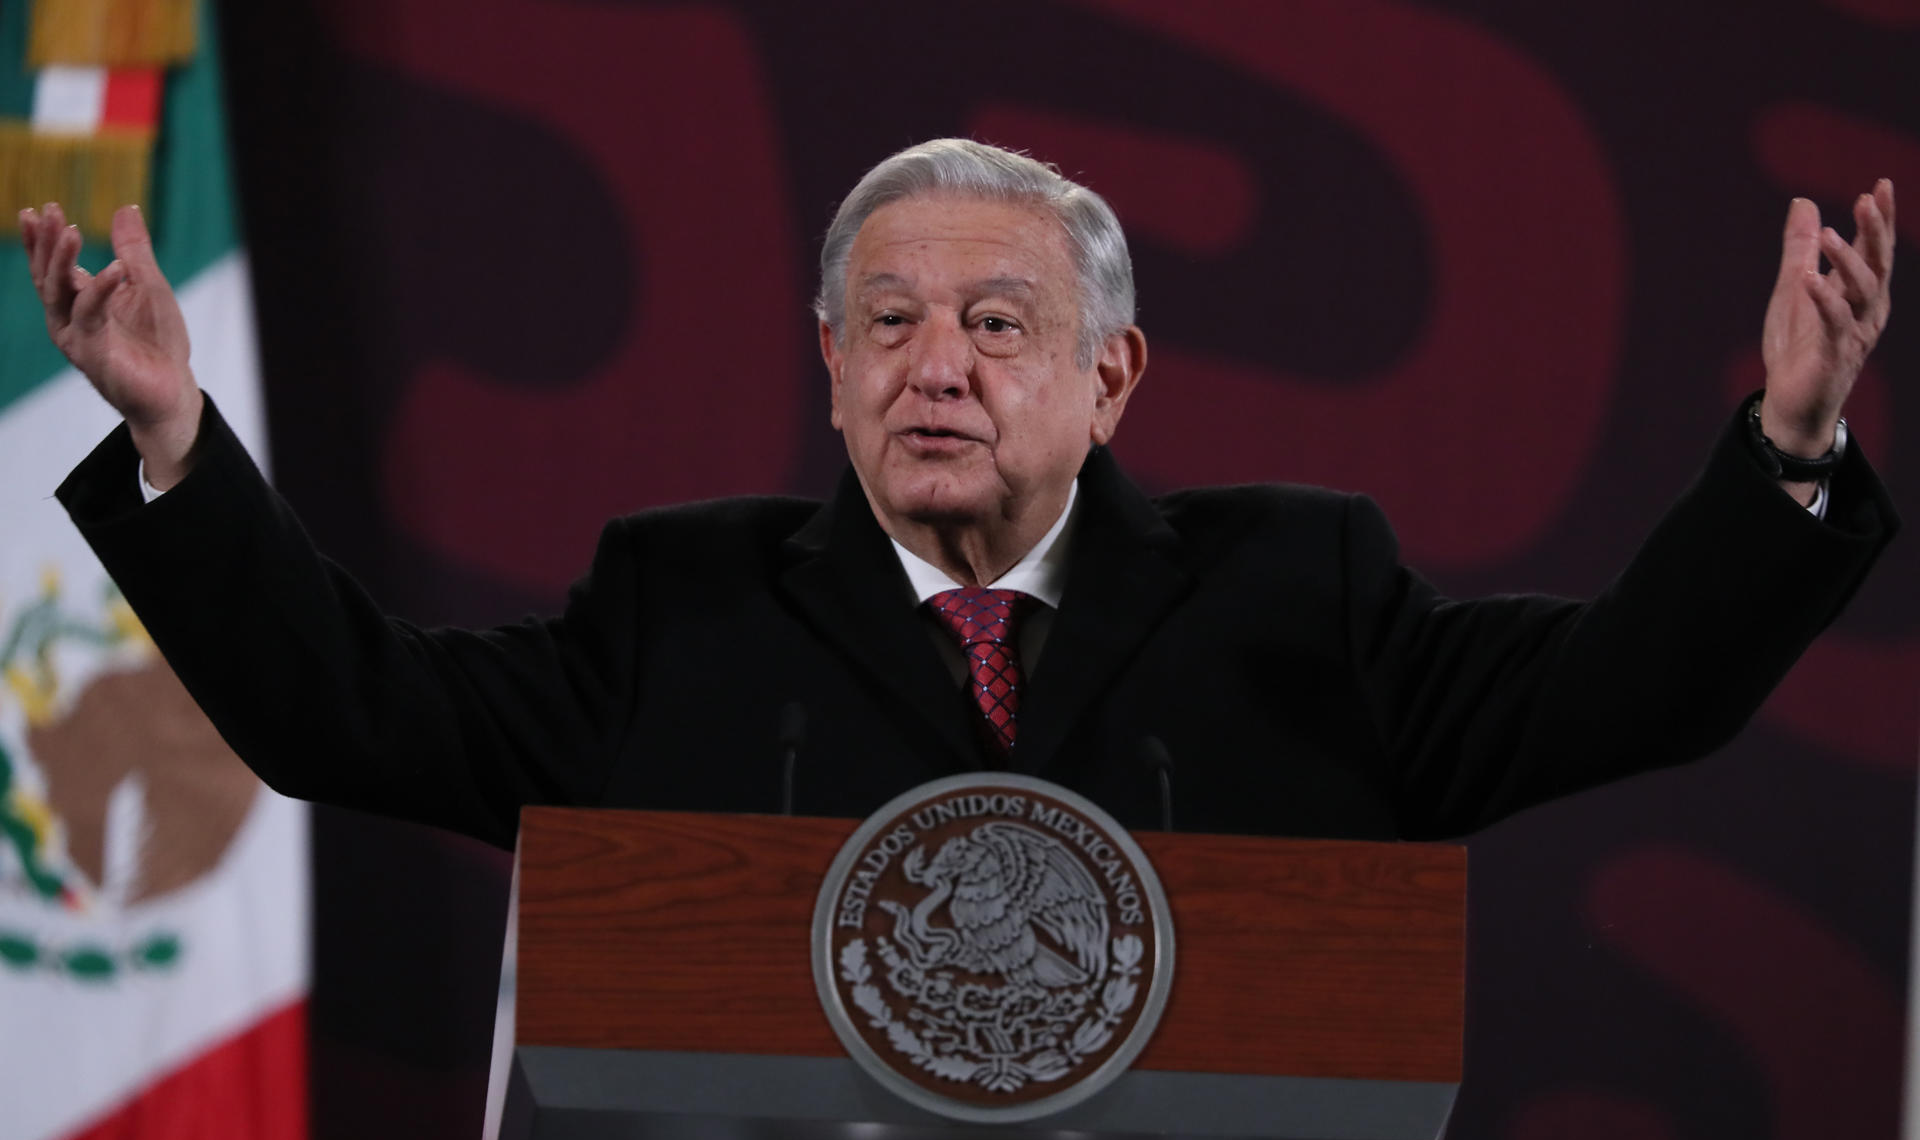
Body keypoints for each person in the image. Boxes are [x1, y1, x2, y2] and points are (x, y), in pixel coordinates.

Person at [18, 140, 1900, 849]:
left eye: (1001, 323)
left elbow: (1631, 690)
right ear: (825, 367)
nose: (938, 365)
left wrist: (1789, 450)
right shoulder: (681, 611)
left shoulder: (1300, 594)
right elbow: (347, 716)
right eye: (890, 320)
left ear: (1113, 376)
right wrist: (179, 440)